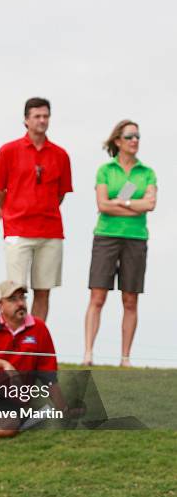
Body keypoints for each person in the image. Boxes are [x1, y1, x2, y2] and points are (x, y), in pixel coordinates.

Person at [0, 97, 73, 321]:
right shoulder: (8, 150)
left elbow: (61, 193)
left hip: (50, 230)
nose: (42, 121)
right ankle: (15, 339)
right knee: (15, 291)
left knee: (44, 290)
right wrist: (11, 209)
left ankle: (34, 343)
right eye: (37, 116)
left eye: (45, 116)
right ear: (26, 120)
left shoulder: (60, 154)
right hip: (17, 229)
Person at [84, 120, 157, 367]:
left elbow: (149, 205)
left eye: (137, 136)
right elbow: (102, 205)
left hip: (136, 238)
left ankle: (125, 358)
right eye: (129, 136)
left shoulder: (146, 172)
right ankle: (88, 354)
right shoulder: (105, 170)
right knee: (98, 296)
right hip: (106, 236)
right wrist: (131, 206)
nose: (135, 140)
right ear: (118, 141)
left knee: (130, 298)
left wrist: (121, 203)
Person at [0, 280, 68, 437]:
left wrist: (64, 410)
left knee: (9, 427)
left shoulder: (39, 328)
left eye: (22, 298)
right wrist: (4, 364)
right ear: (0, 305)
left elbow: (49, 376)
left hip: (11, 399)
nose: (20, 303)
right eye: (12, 299)